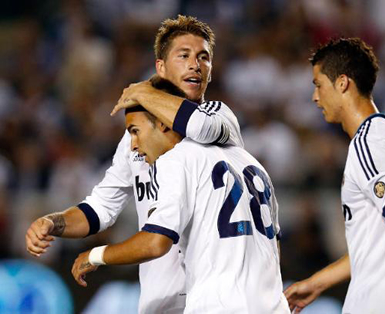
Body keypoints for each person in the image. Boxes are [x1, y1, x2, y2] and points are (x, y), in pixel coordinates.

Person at [25, 15, 243, 314]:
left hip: (212, 301)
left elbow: (198, 128)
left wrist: (143, 92)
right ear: (161, 67)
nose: (196, 64)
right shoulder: (135, 139)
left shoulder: (219, 117)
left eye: (203, 57)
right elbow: (101, 208)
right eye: (184, 55)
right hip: (159, 302)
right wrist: (52, 223)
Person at [71, 83, 290, 313]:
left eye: (135, 131)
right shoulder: (252, 163)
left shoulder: (177, 159)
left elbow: (156, 243)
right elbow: (275, 247)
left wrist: (96, 255)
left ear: (164, 123)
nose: (133, 145)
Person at [284, 38, 385, 314]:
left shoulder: (368, 145)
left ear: (342, 83)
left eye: (318, 85)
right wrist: (318, 283)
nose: (315, 97)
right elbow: (377, 244)